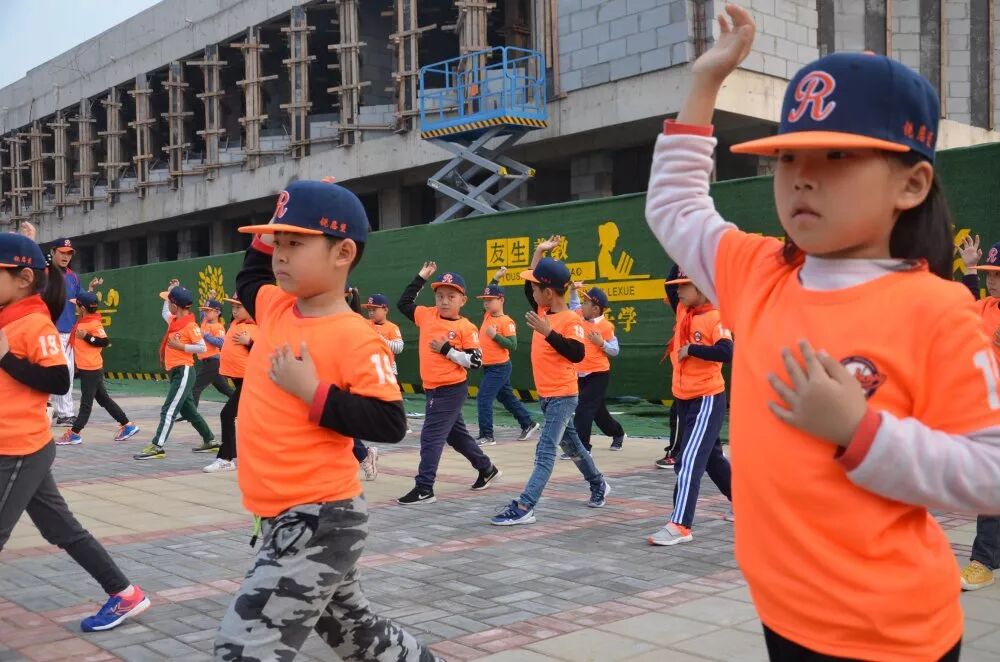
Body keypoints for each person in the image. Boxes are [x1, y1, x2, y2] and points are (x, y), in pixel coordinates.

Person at [644, 6, 1000, 659]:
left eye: (836, 155)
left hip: (888, 637)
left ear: (912, 183)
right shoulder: (759, 272)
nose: (803, 175)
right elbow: (675, 207)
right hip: (782, 613)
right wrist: (704, 83)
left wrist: (860, 433)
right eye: (788, 156)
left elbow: (992, 473)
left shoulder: (937, 309)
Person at [213, 179, 436, 661]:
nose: (280, 254)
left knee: (241, 649)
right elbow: (251, 276)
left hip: (318, 517)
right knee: (359, 636)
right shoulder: (276, 307)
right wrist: (276, 221)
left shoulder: (357, 336)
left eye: (296, 243)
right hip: (284, 514)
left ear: (343, 253)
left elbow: (389, 421)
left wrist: (313, 392)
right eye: (277, 242)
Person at [0, 233, 150, 632]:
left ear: (23, 279)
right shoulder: (9, 316)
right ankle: (125, 594)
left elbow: (58, 380)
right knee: (61, 529)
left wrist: (6, 357)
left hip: (17, 449)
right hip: (18, 448)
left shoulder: (35, 323)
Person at [491, 238, 609, 526]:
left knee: (545, 451)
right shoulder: (544, 311)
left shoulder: (571, 320)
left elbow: (577, 353)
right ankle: (598, 484)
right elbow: (529, 286)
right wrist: (539, 252)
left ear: (547, 292)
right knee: (574, 447)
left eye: (535, 288)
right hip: (547, 396)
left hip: (563, 396)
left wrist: (549, 333)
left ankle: (525, 505)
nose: (530, 292)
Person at [395, 263, 501, 505]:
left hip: (450, 390)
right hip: (432, 388)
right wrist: (421, 277)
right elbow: (404, 303)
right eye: (440, 296)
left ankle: (424, 488)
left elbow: (476, 361)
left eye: (451, 297)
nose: (444, 301)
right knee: (456, 437)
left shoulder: (466, 327)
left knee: (430, 437)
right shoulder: (427, 315)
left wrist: (447, 350)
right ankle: (487, 469)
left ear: (462, 300)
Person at [647, 271, 733, 545]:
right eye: (678, 286)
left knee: (688, 462)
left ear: (702, 288)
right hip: (684, 398)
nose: (678, 291)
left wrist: (692, 349)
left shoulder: (715, 317)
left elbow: (727, 352)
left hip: (706, 398)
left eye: (685, 286)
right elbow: (669, 281)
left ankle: (681, 525)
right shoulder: (684, 310)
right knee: (712, 459)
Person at [956, 234, 1000, 591]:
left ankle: (984, 561)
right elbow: (963, 313)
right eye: (989, 273)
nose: (991, 280)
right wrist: (970, 270)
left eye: (997, 274)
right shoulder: (987, 308)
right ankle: (985, 560)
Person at [133, 282, 217, 459]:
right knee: (189, 411)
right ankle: (210, 440)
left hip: (184, 371)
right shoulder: (175, 321)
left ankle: (157, 446)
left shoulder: (190, 325)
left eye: (169, 301)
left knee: (168, 409)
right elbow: (165, 312)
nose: (167, 305)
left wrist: (181, 346)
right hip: (176, 372)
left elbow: (201, 347)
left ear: (176, 306)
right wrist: (171, 290)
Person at [57, 291, 140, 446]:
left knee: (86, 404)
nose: (75, 307)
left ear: (82, 308)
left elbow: (104, 342)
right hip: (88, 368)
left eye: (77, 305)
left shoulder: (93, 323)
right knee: (104, 400)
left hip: (91, 369)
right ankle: (127, 425)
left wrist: (87, 337)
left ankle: (75, 433)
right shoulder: (84, 321)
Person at [475, 269, 538, 445]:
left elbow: (513, 345)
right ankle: (528, 423)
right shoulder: (487, 315)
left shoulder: (506, 322)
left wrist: (495, 336)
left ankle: (487, 435)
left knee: (483, 398)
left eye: (490, 300)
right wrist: (496, 278)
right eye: (485, 300)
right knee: (506, 397)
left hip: (499, 367)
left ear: (501, 300)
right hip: (489, 366)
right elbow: (491, 289)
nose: (487, 303)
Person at [567, 282, 626, 452]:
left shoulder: (606, 327)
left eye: (586, 303)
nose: (582, 305)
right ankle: (617, 433)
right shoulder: (579, 314)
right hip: (580, 374)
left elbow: (615, 350)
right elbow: (574, 305)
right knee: (599, 413)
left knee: (584, 408)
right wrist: (573, 291)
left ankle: (581, 448)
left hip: (598, 374)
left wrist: (601, 343)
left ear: (595, 309)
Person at [202, 294, 256, 474]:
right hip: (239, 379)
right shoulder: (236, 323)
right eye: (233, 307)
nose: (234, 310)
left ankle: (226, 459)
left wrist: (250, 342)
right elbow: (206, 316)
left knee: (227, 414)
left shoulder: (256, 327)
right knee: (248, 418)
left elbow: (266, 350)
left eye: (239, 307)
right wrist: (210, 299)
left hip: (251, 380)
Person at [48, 237, 97, 426]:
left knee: (65, 371)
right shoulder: (44, 274)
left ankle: (56, 409)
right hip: (50, 331)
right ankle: (63, 413)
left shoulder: (73, 277)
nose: (66, 256)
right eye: (62, 252)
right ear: (53, 252)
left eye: (69, 253)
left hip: (69, 333)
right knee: (61, 370)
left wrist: (90, 292)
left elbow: (81, 298)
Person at [358, 292, 404, 480]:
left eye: (374, 309)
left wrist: (381, 339)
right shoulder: (365, 324)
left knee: (389, 399)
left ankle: (396, 420)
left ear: (385, 309)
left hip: (387, 368)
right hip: (368, 368)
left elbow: (399, 347)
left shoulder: (392, 327)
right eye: (369, 309)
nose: (371, 313)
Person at [191, 298, 235, 410]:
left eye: (209, 310)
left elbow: (221, 343)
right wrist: (210, 298)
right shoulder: (205, 320)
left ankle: (191, 415)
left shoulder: (218, 327)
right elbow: (202, 313)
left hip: (213, 362)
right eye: (205, 310)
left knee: (195, 388)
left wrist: (206, 335)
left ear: (217, 312)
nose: (206, 312)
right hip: (209, 363)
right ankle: (241, 404)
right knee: (225, 389)